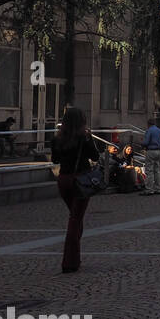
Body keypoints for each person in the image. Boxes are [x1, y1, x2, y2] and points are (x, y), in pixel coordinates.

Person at [51, 106, 102, 273]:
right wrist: (89, 139)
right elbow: (95, 156)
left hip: (63, 180)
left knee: (75, 217)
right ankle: (69, 261)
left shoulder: (57, 139)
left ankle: (75, 257)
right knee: (75, 219)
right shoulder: (84, 138)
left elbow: (55, 159)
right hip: (80, 180)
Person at [141, 117, 160, 195]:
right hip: (159, 151)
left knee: (149, 171)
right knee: (157, 170)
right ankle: (158, 188)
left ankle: (149, 189)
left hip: (151, 151)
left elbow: (146, 142)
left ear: (148, 124)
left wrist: (142, 143)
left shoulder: (149, 130)